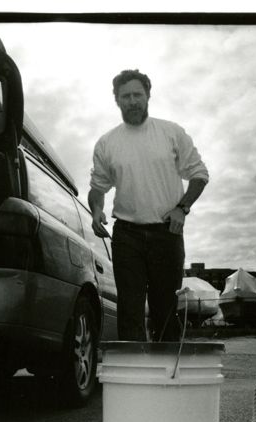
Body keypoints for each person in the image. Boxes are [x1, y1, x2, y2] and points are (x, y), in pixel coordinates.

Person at [88, 69, 209, 342]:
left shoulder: (171, 133)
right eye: (125, 96)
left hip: (167, 233)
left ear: (148, 96)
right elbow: (97, 188)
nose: (132, 101)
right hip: (126, 235)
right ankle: (134, 378)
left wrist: (182, 208)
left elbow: (199, 175)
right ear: (117, 100)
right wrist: (97, 210)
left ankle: (164, 379)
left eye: (137, 95)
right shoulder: (107, 143)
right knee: (129, 309)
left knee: (165, 310)